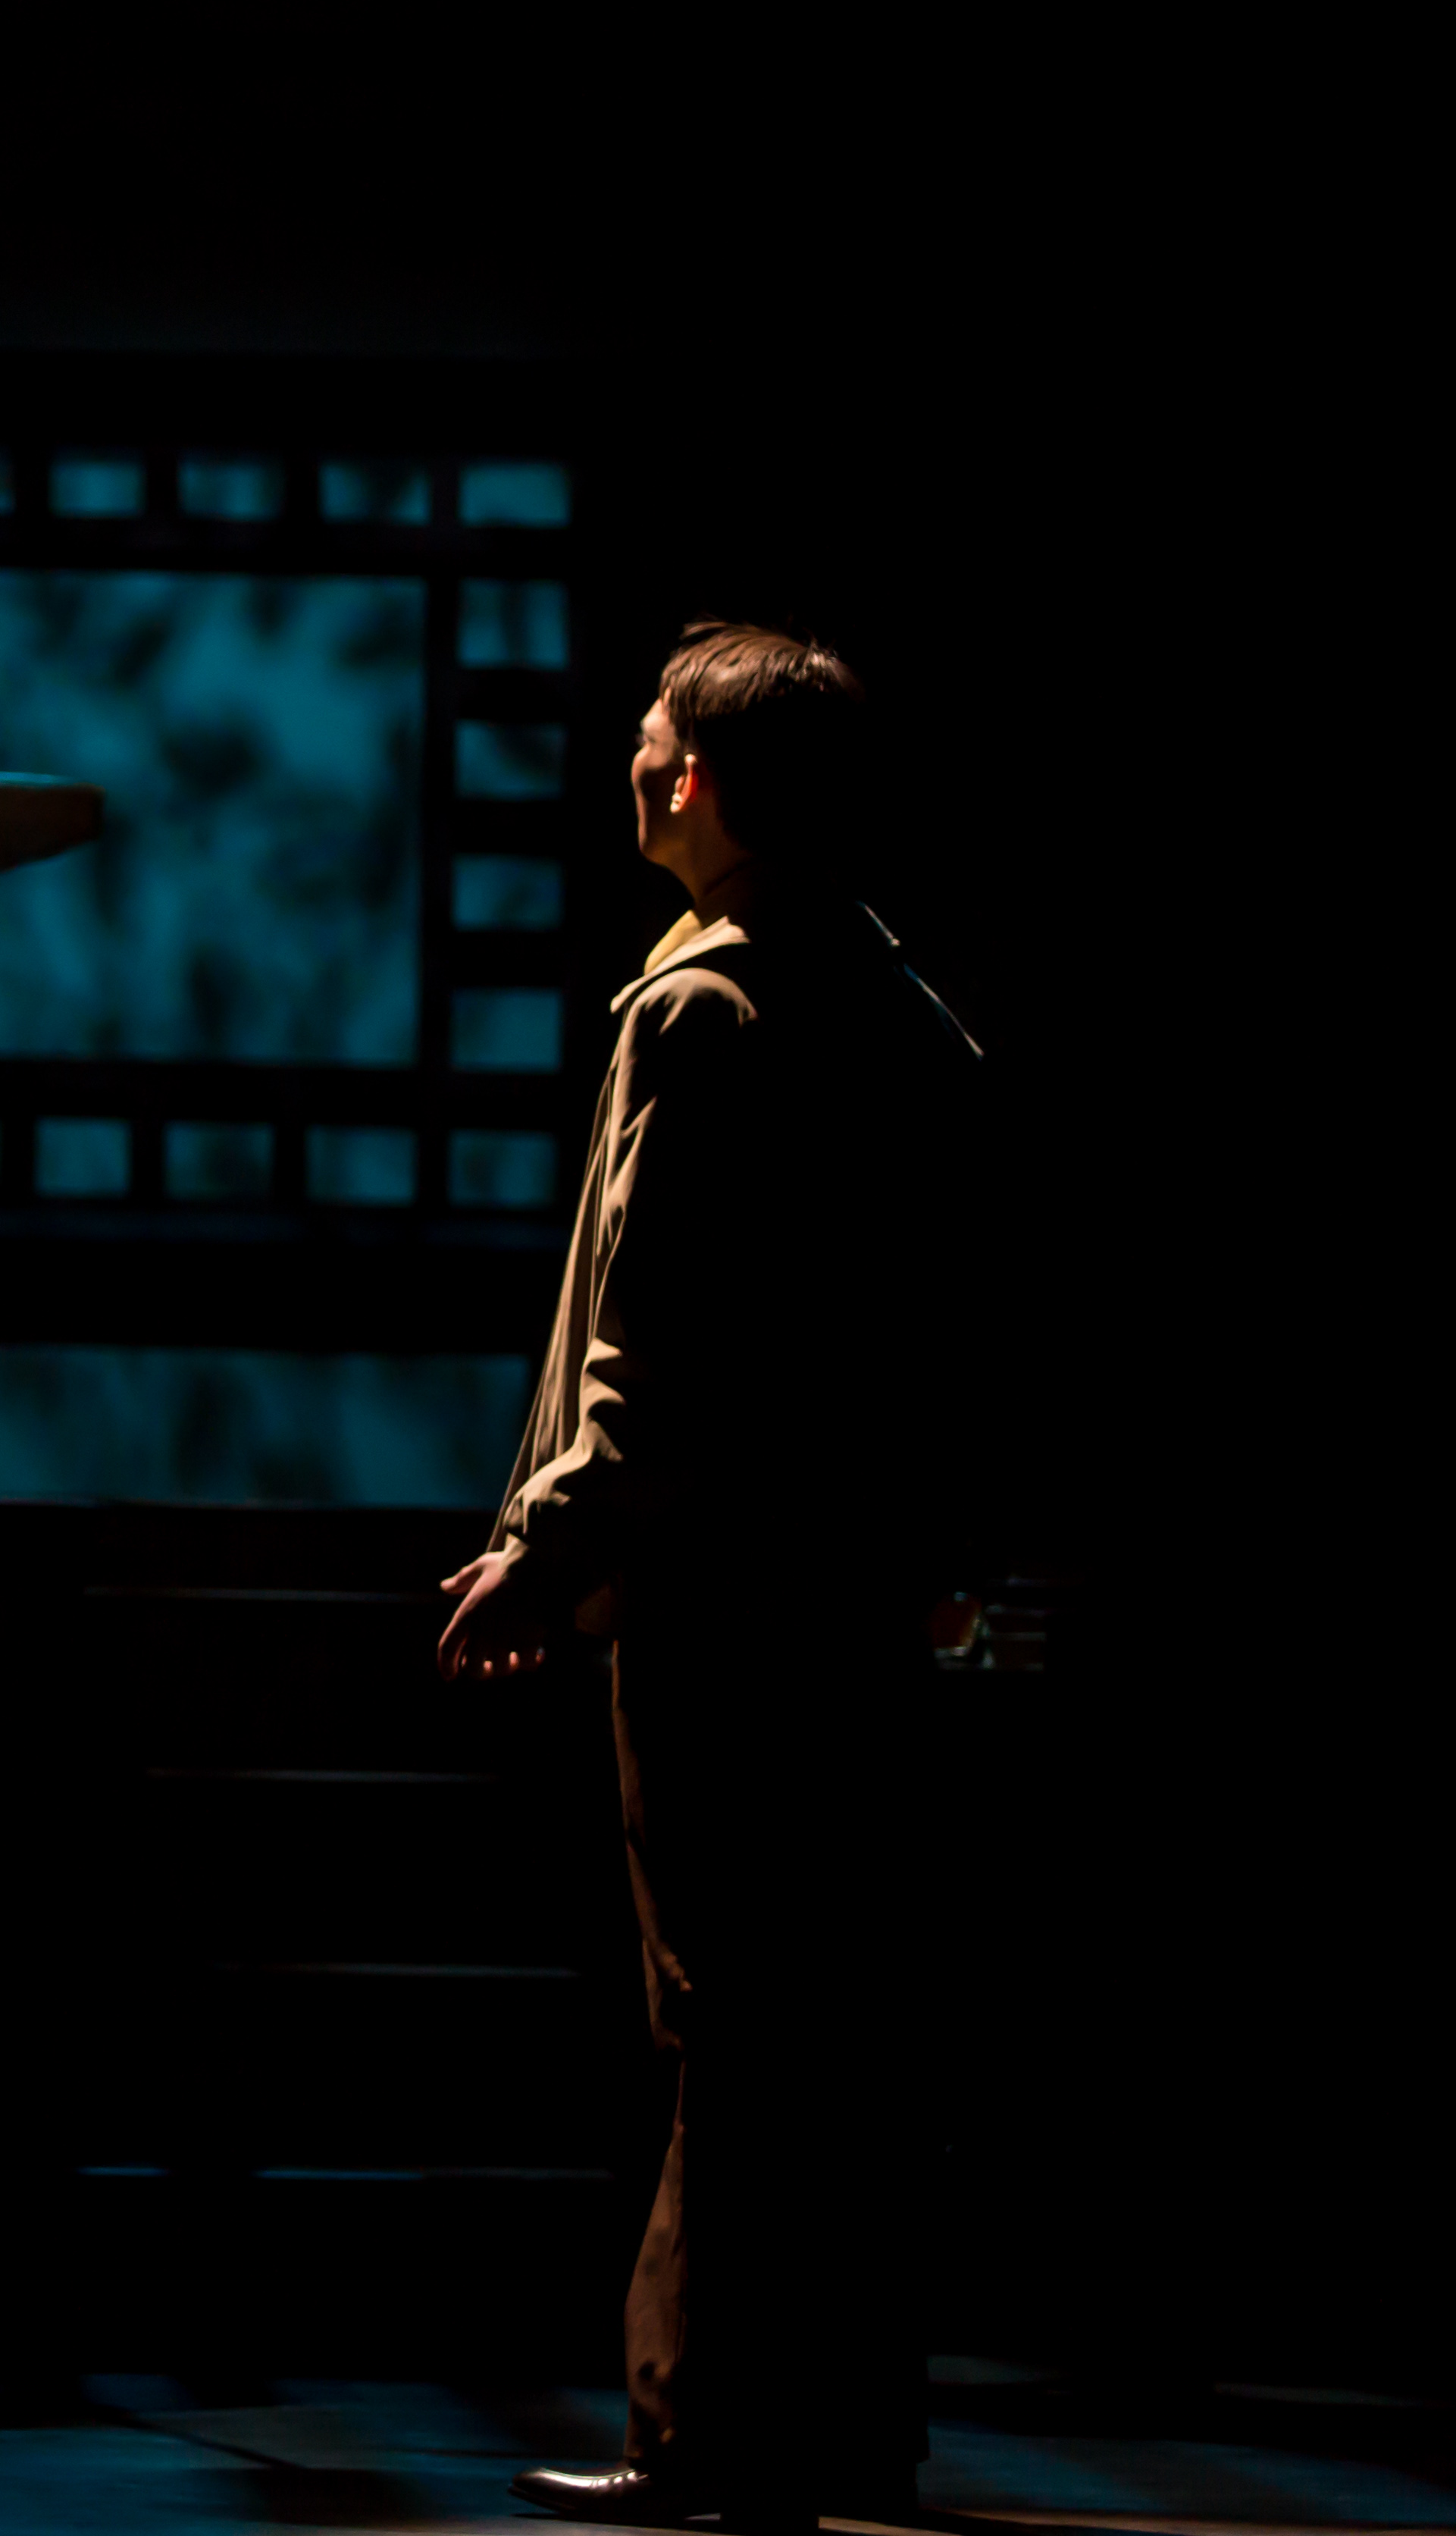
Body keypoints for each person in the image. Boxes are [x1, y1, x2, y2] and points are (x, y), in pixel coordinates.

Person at [434, 622, 982, 2529]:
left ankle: (705, 2435)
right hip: (857, 1587)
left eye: (651, 737)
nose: (632, 762)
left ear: (693, 779)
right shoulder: (902, 1007)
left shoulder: (706, 1007)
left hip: (721, 1590)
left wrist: (549, 1542)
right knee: (841, 2013)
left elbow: (653, 1337)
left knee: (727, 2014)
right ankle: (848, 2425)